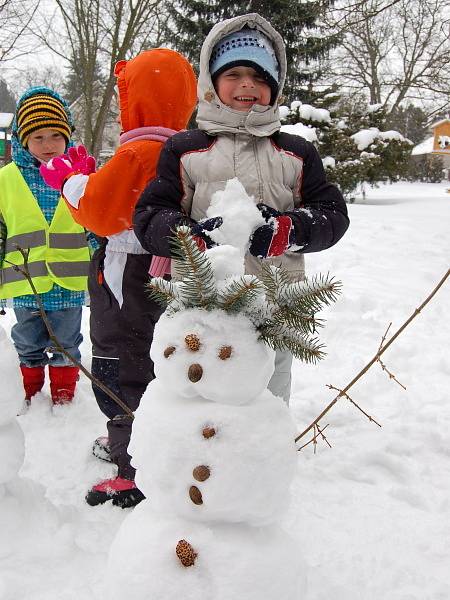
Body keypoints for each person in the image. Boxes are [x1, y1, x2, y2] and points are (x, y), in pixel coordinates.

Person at [133, 13, 350, 405]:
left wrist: (290, 229)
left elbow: (331, 213)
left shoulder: (295, 152)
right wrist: (191, 237)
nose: (248, 84)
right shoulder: (185, 149)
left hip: (275, 308)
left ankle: (262, 463)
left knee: (267, 400)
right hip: (202, 306)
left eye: (260, 75)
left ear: (275, 86)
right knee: (198, 403)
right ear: (211, 83)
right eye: (233, 74)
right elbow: (150, 215)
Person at [40, 49, 197, 508]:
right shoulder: (183, 148)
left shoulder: (141, 149)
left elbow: (101, 212)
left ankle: (132, 466)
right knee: (150, 361)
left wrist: (71, 184)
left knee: (120, 362)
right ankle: (137, 443)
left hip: (127, 277)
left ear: (140, 99)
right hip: (162, 275)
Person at [0, 86, 91, 406]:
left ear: (68, 137)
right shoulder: (7, 179)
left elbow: (95, 222)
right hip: (25, 280)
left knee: (67, 342)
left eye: (56, 135)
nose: (48, 144)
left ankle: (64, 391)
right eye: (38, 137)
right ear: (23, 140)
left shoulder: (82, 176)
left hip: (69, 281)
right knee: (27, 339)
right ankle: (30, 385)